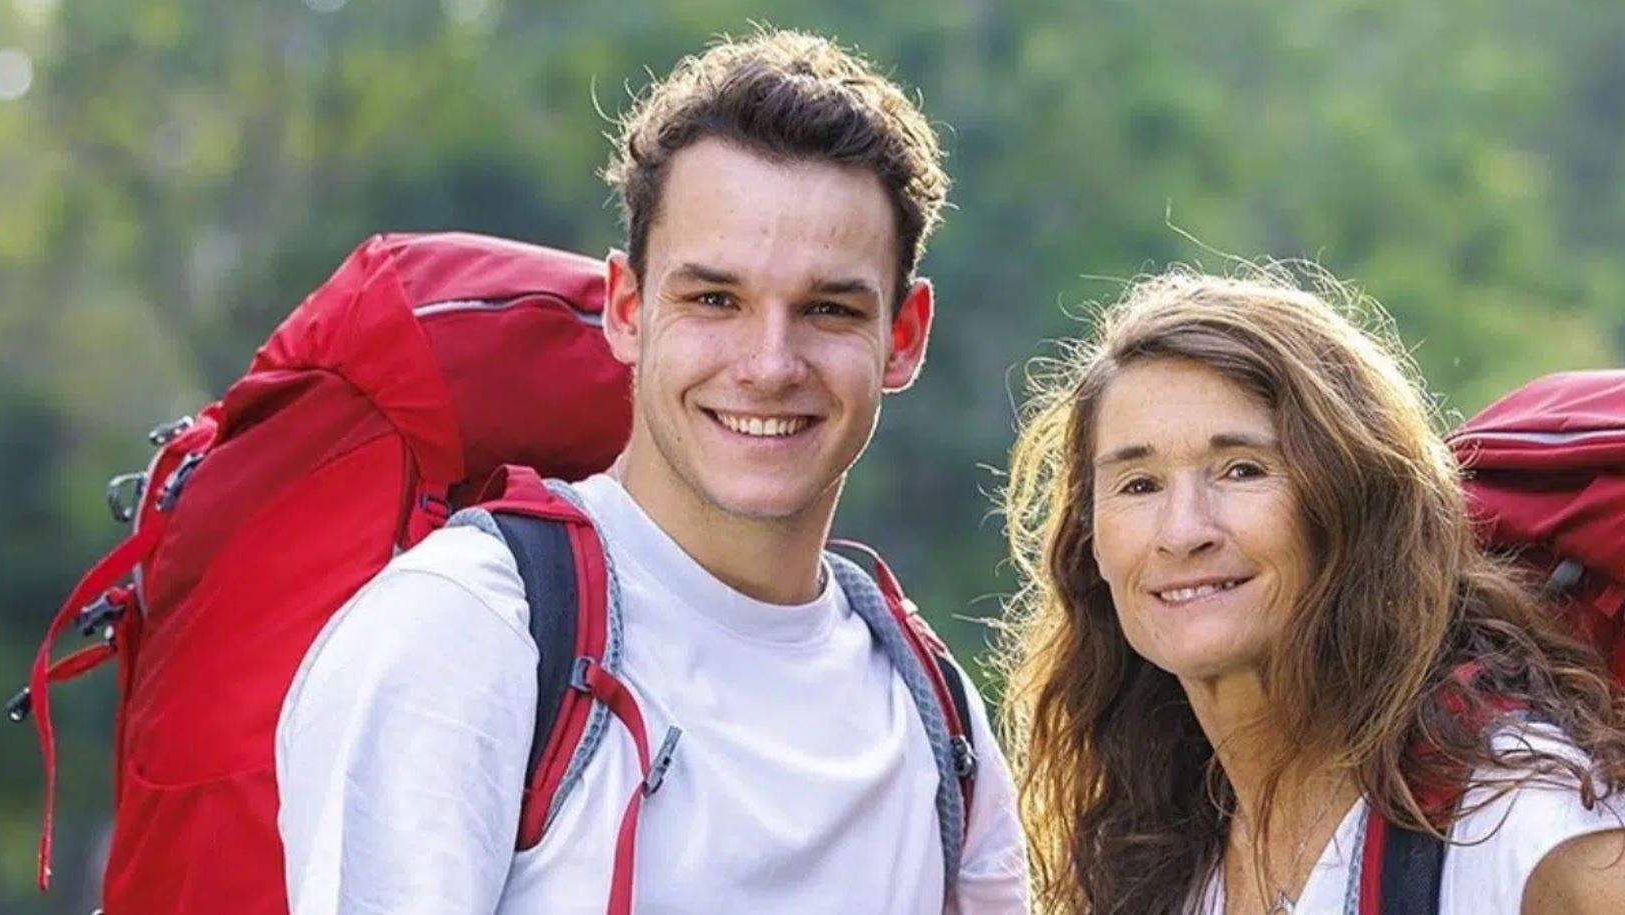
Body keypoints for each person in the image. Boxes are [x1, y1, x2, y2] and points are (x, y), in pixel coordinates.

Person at [273, 28, 1029, 915]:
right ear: (627, 309)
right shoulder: (469, 633)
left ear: (902, 337)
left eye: (828, 308)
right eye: (716, 299)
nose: (769, 362)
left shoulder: (936, 717)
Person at [996, 265, 1625, 914]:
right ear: (1090, 541)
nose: (1181, 532)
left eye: (1242, 469)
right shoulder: (1151, 852)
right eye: (1139, 484)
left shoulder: (1518, 819)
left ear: (1348, 501)